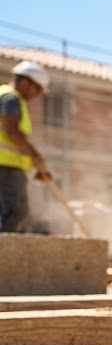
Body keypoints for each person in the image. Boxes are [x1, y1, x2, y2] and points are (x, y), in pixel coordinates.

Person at [0, 61, 52, 233]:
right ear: (26, 81)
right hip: (6, 167)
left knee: (15, 215)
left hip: (9, 167)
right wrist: (36, 156)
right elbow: (12, 132)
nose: (37, 94)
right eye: (37, 88)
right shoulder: (11, 98)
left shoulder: (5, 95)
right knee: (15, 214)